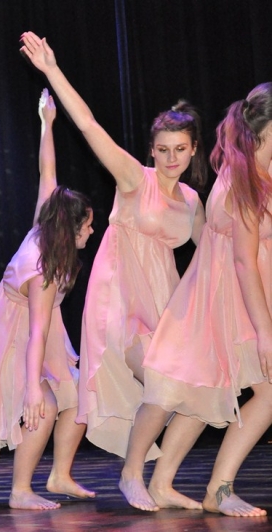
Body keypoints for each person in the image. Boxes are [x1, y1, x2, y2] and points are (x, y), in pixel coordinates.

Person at [19, 33, 206, 475]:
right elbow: (88, 125)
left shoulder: (193, 202)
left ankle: (161, 481)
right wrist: (51, 70)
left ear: (193, 149)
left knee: (199, 394)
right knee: (162, 385)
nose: (171, 158)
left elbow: (213, 256)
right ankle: (131, 474)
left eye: (180, 149)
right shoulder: (134, 179)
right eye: (163, 149)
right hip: (122, 303)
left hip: (165, 304)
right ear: (151, 150)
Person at [137, 83, 272, 517]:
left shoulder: (254, 169)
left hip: (234, 295)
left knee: (202, 394)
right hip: (235, 301)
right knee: (265, 394)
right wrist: (265, 332)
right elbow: (244, 263)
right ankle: (219, 488)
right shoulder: (246, 181)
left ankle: (162, 483)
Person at [0, 90, 95, 510]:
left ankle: (59, 476)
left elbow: (46, 172)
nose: (91, 232)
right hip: (10, 336)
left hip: (37, 331)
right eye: (88, 226)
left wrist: (46, 123)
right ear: (71, 229)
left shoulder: (46, 224)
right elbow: (35, 333)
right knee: (47, 406)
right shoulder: (44, 272)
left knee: (81, 396)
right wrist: (33, 389)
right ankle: (20, 490)